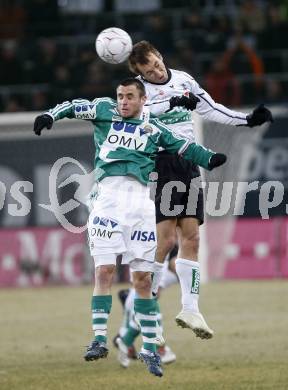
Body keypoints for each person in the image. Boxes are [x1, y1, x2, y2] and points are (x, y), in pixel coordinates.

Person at [33, 78, 227, 377]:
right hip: (107, 201)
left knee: (143, 280)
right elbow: (72, 106)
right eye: (120, 96)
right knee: (105, 270)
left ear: (142, 100)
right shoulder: (102, 110)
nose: (122, 101)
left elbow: (183, 145)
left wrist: (209, 158)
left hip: (139, 205)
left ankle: (150, 349)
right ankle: (98, 339)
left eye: (129, 97)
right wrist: (50, 115)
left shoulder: (153, 127)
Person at [128, 41, 273, 340]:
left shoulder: (183, 80)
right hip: (161, 162)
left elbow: (209, 108)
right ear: (140, 74)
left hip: (189, 163)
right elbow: (135, 114)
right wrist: (173, 103)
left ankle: (190, 309)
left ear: (160, 55)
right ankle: (142, 300)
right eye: (149, 71)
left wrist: (246, 120)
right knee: (166, 240)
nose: (156, 72)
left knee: (191, 237)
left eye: (156, 64)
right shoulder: (138, 90)